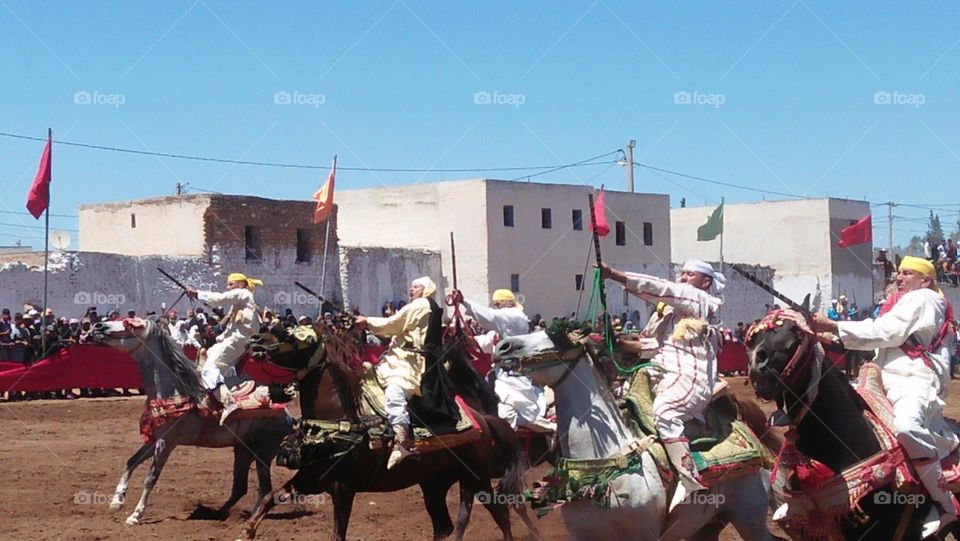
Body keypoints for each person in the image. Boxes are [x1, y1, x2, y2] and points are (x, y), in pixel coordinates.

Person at [813, 256, 958, 538]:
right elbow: (883, 342)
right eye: (899, 273)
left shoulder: (924, 299)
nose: (899, 278)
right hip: (884, 377)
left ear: (925, 280)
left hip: (913, 381)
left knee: (906, 427)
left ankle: (945, 504)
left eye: (906, 273)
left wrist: (833, 326)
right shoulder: (904, 302)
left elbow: (886, 332)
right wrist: (834, 338)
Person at [600, 258, 724, 511]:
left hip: (690, 376)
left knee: (665, 413)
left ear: (705, 281)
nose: (683, 277)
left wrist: (614, 273)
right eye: (683, 273)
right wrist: (618, 343)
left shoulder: (701, 300)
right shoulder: (670, 315)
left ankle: (691, 481)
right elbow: (651, 347)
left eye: (690, 274)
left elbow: (663, 289)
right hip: (660, 374)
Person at [355, 277, 442, 469]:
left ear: (426, 290)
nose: (411, 290)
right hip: (396, 359)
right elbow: (395, 331)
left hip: (409, 363)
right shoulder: (420, 306)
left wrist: (367, 321)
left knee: (395, 391)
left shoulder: (421, 304)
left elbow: (394, 323)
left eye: (416, 286)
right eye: (410, 286)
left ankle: (402, 440)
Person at [459, 289, 555, 432]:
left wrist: (464, 301)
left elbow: (490, 317)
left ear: (509, 303)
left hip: (515, 379)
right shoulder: (501, 327)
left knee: (511, 413)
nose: (495, 305)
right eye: (494, 303)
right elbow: (485, 341)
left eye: (498, 303)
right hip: (500, 376)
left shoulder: (516, 316)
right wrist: (461, 339)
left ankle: (549, 430)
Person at [186, 272, 263, 423]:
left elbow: (220, 299)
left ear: (241, 285)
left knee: (209, 368)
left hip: (238, 340)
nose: (228, 288)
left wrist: (197, 293)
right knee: (206, 356)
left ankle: (228, 403)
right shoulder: (241, 301)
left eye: (231, 284)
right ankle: (213, 395)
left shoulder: (243, 293)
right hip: (234, 339)